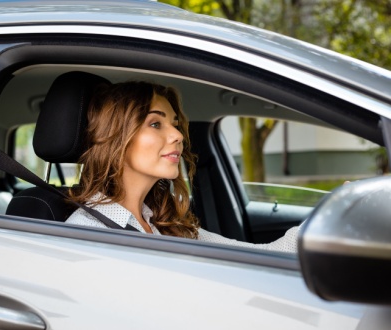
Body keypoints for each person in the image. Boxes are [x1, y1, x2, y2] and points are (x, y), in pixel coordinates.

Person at [66, 81, 299, 253]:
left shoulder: (162, 222)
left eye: (175, 125)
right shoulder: (86, 233)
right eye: (156, 123)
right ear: (117, 137)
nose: (178, 135)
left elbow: (258, 257)